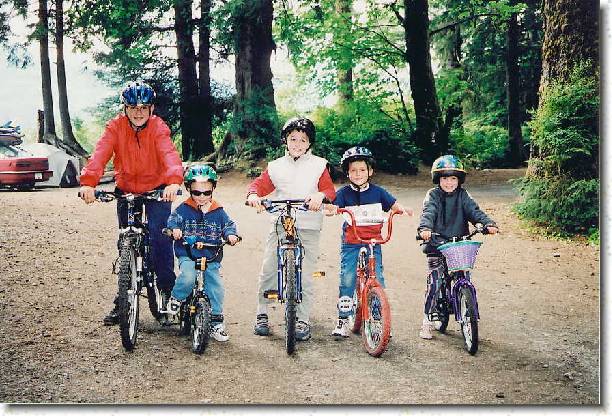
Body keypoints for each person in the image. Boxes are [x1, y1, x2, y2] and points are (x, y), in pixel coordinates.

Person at [79, 81, 183, 326]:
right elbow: (100, 154)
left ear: (151, 109)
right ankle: (124, 297)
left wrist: (173, 181)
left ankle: (167, 290)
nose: (138, 112)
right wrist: (88, 182)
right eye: (133, 107)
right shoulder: (115, 127)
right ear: (124, 108)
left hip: (157, 190)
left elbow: (169, 154)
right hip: (126, 189)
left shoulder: (158, 128)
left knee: (160, 241)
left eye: (144, 107)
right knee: (125, 240)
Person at [245, 116, 336, 341]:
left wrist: (319, 196)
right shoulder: (276, 166)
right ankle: (262, 312)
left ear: (310, 143)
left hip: (308, 224)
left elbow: (329, 190)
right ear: (285, 140)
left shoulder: (319, 165)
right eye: (293, 139)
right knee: (268, 267)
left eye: (303, 140)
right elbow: (260, 185)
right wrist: (254, 196)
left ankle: (302, 318)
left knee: (305, 273)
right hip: (281, 222)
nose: (297, 144)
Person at [325, 146, 412, 338]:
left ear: (370, 171)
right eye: (353, 170)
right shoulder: (344, 193)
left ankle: (378, 318)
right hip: (352, 241)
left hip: (373, 241)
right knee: (348, 277)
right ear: (347, 172)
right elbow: (333, 205)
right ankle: (342, 319)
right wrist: (331, 209)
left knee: (377, 278)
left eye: (362, 170)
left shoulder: (378, 192)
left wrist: (402, 209)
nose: (358, 174)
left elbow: (393, 204)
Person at [416, 155, 498, 339]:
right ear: (438, 179)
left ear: (459, 179)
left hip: (458, 244)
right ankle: (427, 320)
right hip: (436, 244)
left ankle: (466, 308)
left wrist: (488, 223)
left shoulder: (463, 195)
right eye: (444, 178)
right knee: (435, 282)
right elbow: (429, 212)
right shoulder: (433, 195)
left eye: (453, 178)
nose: (449, 182)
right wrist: (425, 229)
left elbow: (474, 211)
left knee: (464, 275)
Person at [166, 164, 239, 342]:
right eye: (197, 192)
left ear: (213, 189)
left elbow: (228, 225)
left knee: (215, 287)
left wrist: (231, 235)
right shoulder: (183, 209)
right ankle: (176, 298)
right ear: (189, 189)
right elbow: (172, 220)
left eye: (206, 192)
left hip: (211, 254)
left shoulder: (218, 211)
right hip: (188, 253)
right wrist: (174, 229)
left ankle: (216, 322)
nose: (202, 197)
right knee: (188, 276)